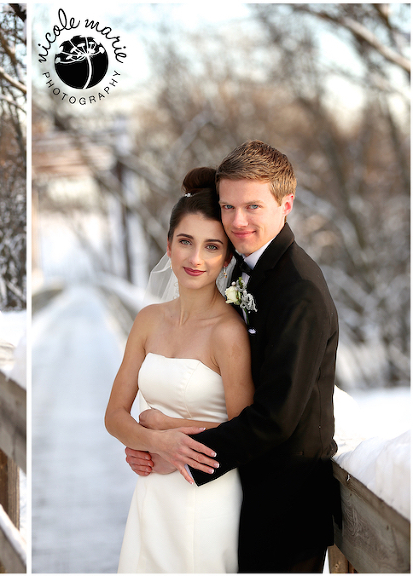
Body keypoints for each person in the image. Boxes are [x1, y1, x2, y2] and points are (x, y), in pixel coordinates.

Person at [126, 141, 339, 573]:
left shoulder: (298, 292)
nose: (238, 221)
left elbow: (275, 418)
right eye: (228, 207)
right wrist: (153, 442)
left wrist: (176, 447)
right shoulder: (245, 266)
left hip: (285, 505)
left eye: (253, 207)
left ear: (286, 205)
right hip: (244, 488)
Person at [105, 167, 255, 572]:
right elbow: (114, 415)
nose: (195, 258)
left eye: (212, 247)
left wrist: (164, 429)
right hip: (153, 493)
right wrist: (152, 441)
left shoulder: (228, 333)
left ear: (227, 258)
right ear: (168, 245)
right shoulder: (148, 320)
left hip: (205, 493)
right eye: (186, 242)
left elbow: (246, 432)